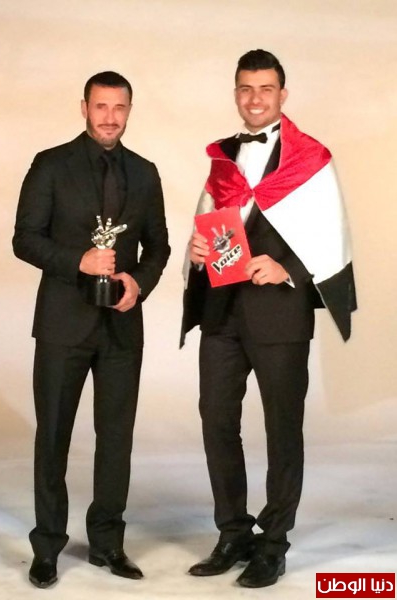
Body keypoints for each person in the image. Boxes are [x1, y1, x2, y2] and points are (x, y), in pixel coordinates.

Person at [181, 49, 356, 588]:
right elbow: (211, 222)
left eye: (265, 89)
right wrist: (197, 252)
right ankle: (233, 532)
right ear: (236, 94)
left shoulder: (311, 157)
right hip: (222, 313)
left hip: (280, 316)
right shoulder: (224, 157)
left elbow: (332, 233)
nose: (255, 99)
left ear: (283, 94)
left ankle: (273, 544)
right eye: (245, 88)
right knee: (216, 422)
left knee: (282, 430)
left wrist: (288, 269)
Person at [13, 71, 170, 588]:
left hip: (122, 326)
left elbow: (160, 245)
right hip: (63, 324)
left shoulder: (144, 173)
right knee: (53, 436)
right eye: (101, 106)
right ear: (84, 108)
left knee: (117, 439)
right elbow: (24, 238)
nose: (110, 117)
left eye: (119, 107)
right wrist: (76, 260)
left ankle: (107, 544)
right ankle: (47, 547)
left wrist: (139, 283)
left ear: (129, 111)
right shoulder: (51, 164)